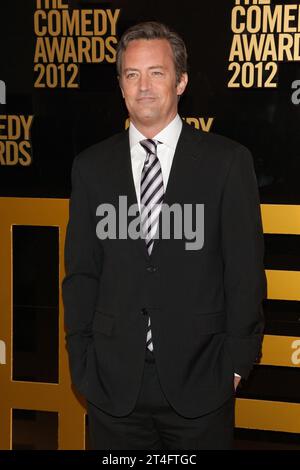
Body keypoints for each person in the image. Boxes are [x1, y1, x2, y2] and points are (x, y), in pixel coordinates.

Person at [62, 21, 267, 450]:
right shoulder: (91, 167)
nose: (144, 87)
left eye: (156, 72)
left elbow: (244, 273)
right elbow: (82, 274)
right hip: (113, 385)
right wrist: (82, 361)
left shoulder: (227, 162)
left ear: (182, 81)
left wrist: (234, 364)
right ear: (120, 85)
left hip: (202, 380)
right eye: (132, 75)